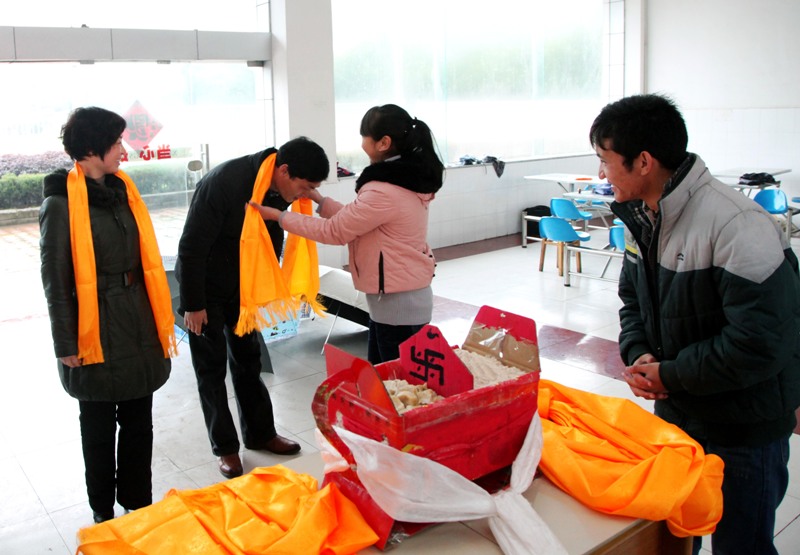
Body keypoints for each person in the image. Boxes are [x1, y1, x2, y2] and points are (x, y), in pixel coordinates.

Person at [590, 93, 800, 554]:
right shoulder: (644, 218)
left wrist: (670, 374)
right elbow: (632, 301)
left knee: (742, 546)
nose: (601, 174)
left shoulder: (738, 224)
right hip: (680, 415)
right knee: (678, 540)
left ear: (643, 162)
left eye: (605, 160)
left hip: (743, 428)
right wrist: (639, 354)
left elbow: (760, 342)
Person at [39, 107, 175, 524]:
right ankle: (102, 510)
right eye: (116, 143)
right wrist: (65, 343)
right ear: (91, 149)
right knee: (97, 426)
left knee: (139, 422)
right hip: (91, 325)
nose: (123, 150)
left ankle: (137, 503)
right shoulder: (60, 203)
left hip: (136, 319)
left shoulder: (123, 191)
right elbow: (55, 279)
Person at [176, 136, 329, 479]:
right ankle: (226, 448)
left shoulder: (277, 187)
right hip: (208, 290)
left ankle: (261, 434)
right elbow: (192, 246)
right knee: (211, 369)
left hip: (246, 289)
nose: (306, 195)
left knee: (248, 361)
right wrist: (193, 304)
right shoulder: (225, 182)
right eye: (305, 187)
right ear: (284, 171)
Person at [248, 104, 444, 364]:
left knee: (394, 381)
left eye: (365, 136)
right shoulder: (405, 179)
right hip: (400, 300)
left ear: (384, 142)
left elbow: (336, 231)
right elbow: (359, 221)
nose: (362, 143)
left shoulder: (384, 189)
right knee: (387, 377)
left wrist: (278, 216)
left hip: (398, 307)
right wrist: (320, 200)